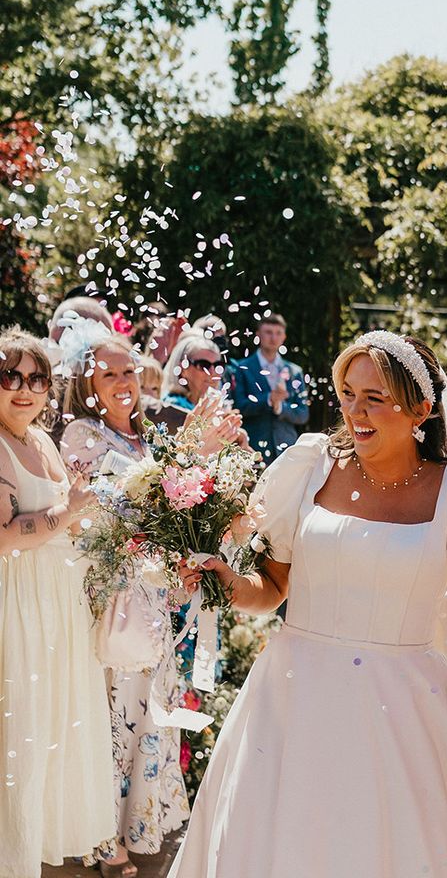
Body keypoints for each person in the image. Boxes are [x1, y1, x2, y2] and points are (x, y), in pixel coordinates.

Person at [168, 331, 447, 877]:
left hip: (404, 711)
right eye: (349, 394)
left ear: (421, 410)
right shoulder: (308, 468)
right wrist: (229, 583)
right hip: (293, 699)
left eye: (375, 398)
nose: (356, 411)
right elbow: (272, 587)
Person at [58, 327, 191, 877]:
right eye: (108, 373)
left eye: (129, 371)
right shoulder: (82, 435)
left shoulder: (149, 439)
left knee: (146, 707)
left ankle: (139, 821)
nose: (122, 382)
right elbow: (102, 514)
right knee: (110, 711)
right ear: (88, 384)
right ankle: (100, 833)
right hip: (109, 598)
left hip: (154, 597)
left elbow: (167, 510)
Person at [0, 326, 115, 878]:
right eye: (11, 376)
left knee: (48, 729)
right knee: (20, 728)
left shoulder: (42, 441)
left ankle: (33, 849)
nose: (25, 389)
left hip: (57, 607)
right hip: (18, 604)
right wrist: (70, 511)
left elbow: (67, 515)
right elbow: (4, 535)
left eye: (37, 379)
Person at [227, 314, 309, 461]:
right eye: (268, 332)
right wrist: (268, 399)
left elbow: (303, 414)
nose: (273, 338)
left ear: (284, 337)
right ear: (258, 334)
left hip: (287, 449)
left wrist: (281, 407)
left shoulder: (295, 371)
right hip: (253, 448)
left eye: (278, 333)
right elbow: (239, 407)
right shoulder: (242, 368)